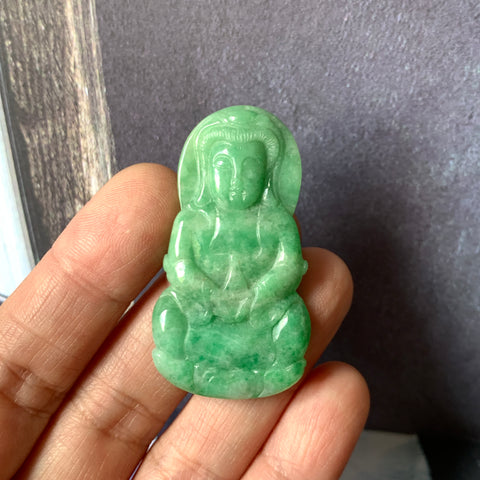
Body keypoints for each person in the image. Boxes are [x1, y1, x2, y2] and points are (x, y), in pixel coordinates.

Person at [0, 163, 369, 479]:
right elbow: (179, 267)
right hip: (204, 308)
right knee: (169, 308)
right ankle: (187, 363)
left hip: (259, 310)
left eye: (249, 169)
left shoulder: (275, 222)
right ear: (207, 174)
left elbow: (288, 267)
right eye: (225, 169)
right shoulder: (193, 221)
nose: (237, 181)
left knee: (293, 313)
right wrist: (208, 295)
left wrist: (257, 295)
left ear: (267, 176)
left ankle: (273, 367)